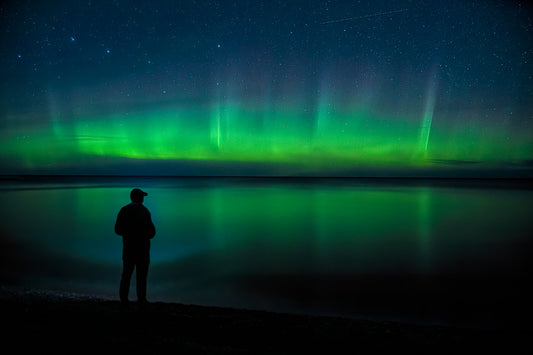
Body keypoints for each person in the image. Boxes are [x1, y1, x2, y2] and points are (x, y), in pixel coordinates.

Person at [115, 188, 156, 306]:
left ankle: (124, 299)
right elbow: (152, 232)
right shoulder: (144, 211)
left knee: (126, 274)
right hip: (142, 249)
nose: (143, 198)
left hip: (128, 248)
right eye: (142, 196)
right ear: (140, 198)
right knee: (141, 275)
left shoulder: (124, 210)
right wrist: (142, 234)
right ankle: (141, 299)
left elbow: (117, 230)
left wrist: (128, 233)